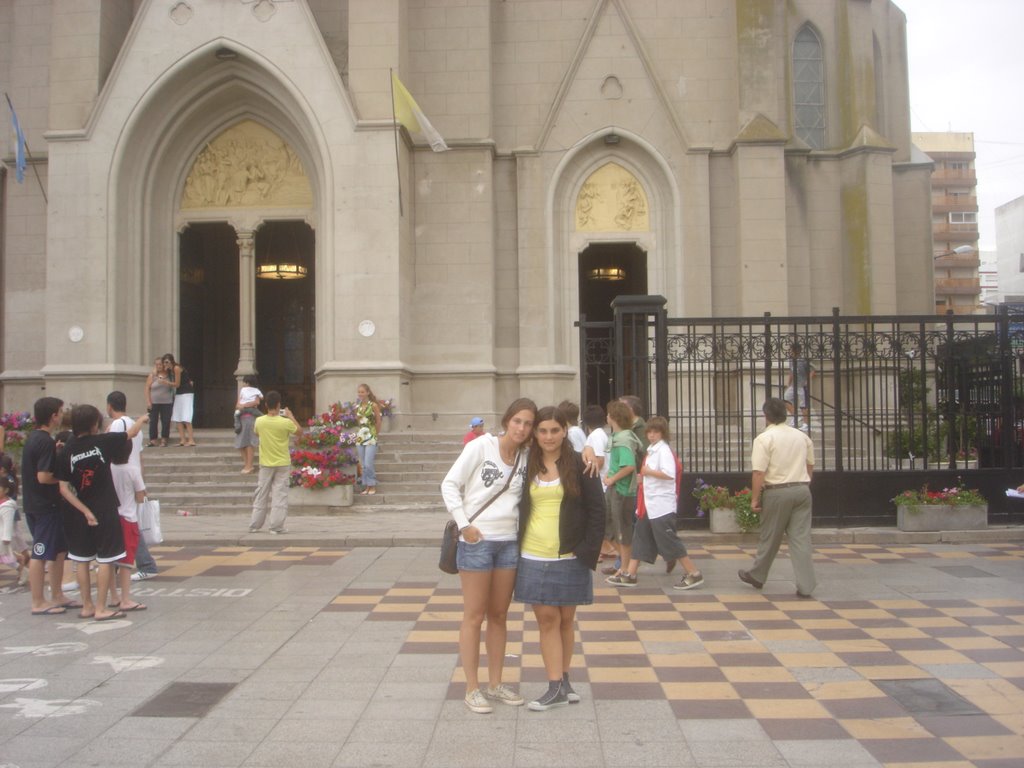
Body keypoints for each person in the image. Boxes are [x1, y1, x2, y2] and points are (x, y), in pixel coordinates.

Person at [440, 397, 537, 715]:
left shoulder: (526, 456)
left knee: (499, 616)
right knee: (474, 615)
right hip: (478, 541)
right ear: (507, 420)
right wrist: (465, 524)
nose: (522, 428)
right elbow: (450, 484)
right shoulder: (481, 446)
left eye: (528, 424)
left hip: (509, 542)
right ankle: (472, 688)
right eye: (517, 421)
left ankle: (495, 684)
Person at [515, 405, 605, 711]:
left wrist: (585, 550)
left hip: (570, 555)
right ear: (535, 434)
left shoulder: (581, 464)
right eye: (542, 430)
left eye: (555, 430)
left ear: (565, 431)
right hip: (533, 553)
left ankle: (565, 681)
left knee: (567, 621)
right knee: (547, 620)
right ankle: (554, 685)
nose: (549, 436)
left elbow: (597, 511)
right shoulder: (524, 463)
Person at [57, 404, 148, 621]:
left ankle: (87, 606)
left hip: (78, 511)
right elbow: (131, 433)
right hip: (105, 509)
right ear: (95, 424)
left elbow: (62, 488)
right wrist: (142, 418)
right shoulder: (102, 442)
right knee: (106, 559)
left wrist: (84, 510)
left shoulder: (66, 449)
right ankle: (101, 608)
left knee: (82, 559)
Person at [606, 417, 703, 590]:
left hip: (661, 505)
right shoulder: (651, 449)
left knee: (669, 540)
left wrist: (648, 472)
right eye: (649, 432)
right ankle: (630, 574)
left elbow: (669, 473)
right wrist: (644, 478)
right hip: (649, 504)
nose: (651, 435)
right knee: (640, 538)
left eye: (655, 432)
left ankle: (693, 573)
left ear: (663, 433)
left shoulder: (663, 450)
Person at [739, 397, 816, 598]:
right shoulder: (801, 436)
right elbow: (810, 464)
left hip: (777, 491)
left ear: (766, 416)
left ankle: (757, 574)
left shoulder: (765, 439)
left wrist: (755, 498)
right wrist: (805, 481)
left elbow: (758, 472)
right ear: (786, 413)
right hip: (802, 490)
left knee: (770, 536)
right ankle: (806, 584)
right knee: (800, 539)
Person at [21, 396, 76, 615]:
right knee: (40, 553)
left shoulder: (36, 438)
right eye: (60, 412)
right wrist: (62, 478)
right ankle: (38, 601)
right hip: (44, 505)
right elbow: (43, 476)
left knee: (59, 550)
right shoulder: (44, 441)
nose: (62, 415)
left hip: (39, 504)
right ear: (53, 416)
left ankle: (57, 594)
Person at [106, 391, 158, 582]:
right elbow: (140, 456)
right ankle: (119, 563)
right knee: (127, 520)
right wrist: (141, 482)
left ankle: (145, 564)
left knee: (127, 521)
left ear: (109, 406)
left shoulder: (117, 425)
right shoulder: (135, 425)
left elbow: (109, 447)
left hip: (120, 473)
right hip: (133, 474)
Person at [248, 391, 301, 534]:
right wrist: (290, 416)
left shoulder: (259, 421)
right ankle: (276, 526)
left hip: (265, 462)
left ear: (266, 405)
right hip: (282, 462)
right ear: (279, 405)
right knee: (280, 494)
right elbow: (299, 432)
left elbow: (257, 433)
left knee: (261, 493)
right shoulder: (285, 423)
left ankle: (255, 524)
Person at [602, 400, 641, 582]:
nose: (607, 417)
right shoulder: (620, 437)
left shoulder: (624, 439)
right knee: (611, 528)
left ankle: (625, 568)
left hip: (622, 490)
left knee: (622, 531)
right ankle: (624, 565)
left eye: (609, 414)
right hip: (616, 488)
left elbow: (629, 466)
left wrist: (612, 479)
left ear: (613, 417)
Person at [109, 438, 147, 612]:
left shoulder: (108, 468)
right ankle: (125, 599)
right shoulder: (133, 470)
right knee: (126, 562)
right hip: (128, 517)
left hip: (110, 517)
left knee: (109, 561)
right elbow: (140, 496)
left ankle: (113, 596)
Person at [0, 474, 30, 586]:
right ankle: (21, 567)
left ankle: (22, 568)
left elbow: (8, 524)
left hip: (3, 537)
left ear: (6, 490)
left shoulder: (7, 506)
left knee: (6, 558)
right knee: (6, 558)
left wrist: (6, 539)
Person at [355, 383, 382, 495]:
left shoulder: (373, 405)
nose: (360, 394)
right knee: (363, 464)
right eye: (359, 392)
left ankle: (372, 484)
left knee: (368, 462)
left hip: (371, 436)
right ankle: (366, 486)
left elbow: (378, 421)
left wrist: (375, 434)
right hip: (361, 436)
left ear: (367, 392)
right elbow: (358, 421)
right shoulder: (358, 406)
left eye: (362, 392)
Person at [234, 375, 263, 474]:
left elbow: (256, 402)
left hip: (251, 418)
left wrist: (244, 406)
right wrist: (242, 406)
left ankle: (249, 465)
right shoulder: (242, 391)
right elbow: (237, 405)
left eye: (246, 382)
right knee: (240, 443)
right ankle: (247, 464)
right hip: (241, 419)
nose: (244, 384)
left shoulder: (255, 391)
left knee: (249, 442)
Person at [784, 341, 816, 432]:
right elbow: (791, 372)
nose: (790, 352)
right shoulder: (791, 360)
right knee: (785, 399)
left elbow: (813, 370)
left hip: (802, 385)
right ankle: (795, 417)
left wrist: (807, 381)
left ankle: (806, 424)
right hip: (793, 385)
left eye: (791, 350)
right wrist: (788, 383)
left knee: (803, 405)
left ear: (795, 351)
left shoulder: (803, 360)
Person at [166, 354, 197, 446]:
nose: (165, 364)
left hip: (186, 393)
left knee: (186, 416)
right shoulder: (169, 370)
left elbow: (177, 384)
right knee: (178, 416)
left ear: (171, 361)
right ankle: (182, 439)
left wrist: (166, 382)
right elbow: (158, 373)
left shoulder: (176, 368)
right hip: (179, 394)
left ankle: (191, 439)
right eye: (164, 362)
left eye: (167, 362)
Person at [146, 356, 174, 447]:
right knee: (153, 421)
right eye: (157, 364)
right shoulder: (152, 375)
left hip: (167, 402)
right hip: (154, 402)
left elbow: (176, 383)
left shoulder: (170, 375)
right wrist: (148, 401)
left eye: (160, 364)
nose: (159, 366)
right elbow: (147, 388)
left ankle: (164, 439)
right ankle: (153, 440)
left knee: (166, 421)